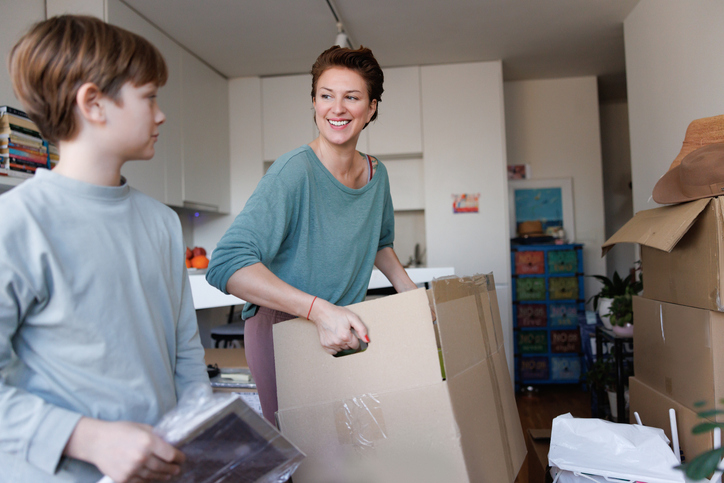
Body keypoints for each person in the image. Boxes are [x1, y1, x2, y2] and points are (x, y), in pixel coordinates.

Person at [0, 15, 209, 482]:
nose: (161, 114)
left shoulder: (162, 223)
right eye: (149, 96)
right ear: (93, 103)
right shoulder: (16, 225)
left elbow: (186, 356)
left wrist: (204, 437)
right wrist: (91, 439)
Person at [207, 45, 419, 423]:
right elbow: (226, 264)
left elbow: (379, 242)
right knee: (303, 454)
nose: (336, 108)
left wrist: (411, 295)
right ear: (315, 103)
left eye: (351, 97)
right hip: (284, 328)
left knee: (345, 449)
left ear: (370, 108)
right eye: (326, 96)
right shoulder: (293, 172)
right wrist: (317, 310)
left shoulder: (376, 173)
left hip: (341, 324)